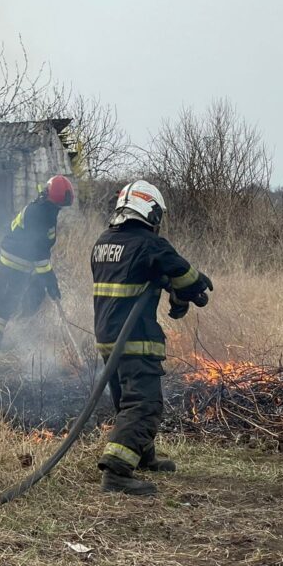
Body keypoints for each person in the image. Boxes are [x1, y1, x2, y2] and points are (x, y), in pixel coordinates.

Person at [91, 180, 212, 496]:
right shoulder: (149, 244)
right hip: (135, 338)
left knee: (125, 400)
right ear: (152, 211)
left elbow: (144, 275)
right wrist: (195, 285)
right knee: (145, 404)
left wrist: (172, 287)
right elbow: (184, 273)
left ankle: (143, 455)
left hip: (107, 337)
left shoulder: (103, 243)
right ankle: (116, 472)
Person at [0, 175, 75, 348]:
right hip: (17, 260)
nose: (60, 209)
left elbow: (40, 250)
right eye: (59, 206)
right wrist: (50, 280)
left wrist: (48, 279)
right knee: (10, 297)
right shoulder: (41, 214)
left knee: (23, 295)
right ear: (53, 200)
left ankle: (13, 332)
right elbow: (39, 252)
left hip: (22, 258)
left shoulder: (45, 209)